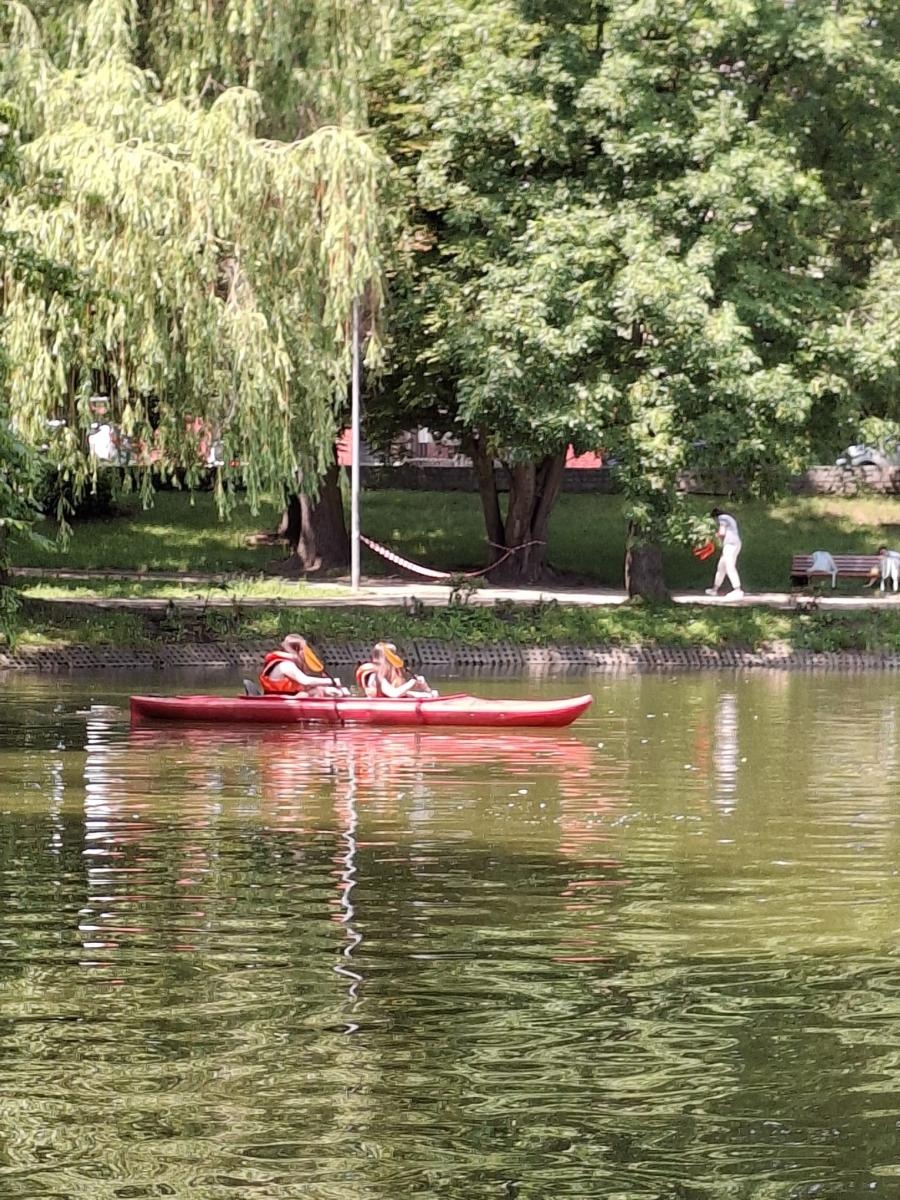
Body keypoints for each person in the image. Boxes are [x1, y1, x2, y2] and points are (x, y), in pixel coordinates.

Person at [258, 634, 346, 696]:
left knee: (318, 690)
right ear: (297, 650)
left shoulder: (287, 663)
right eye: (303, 650)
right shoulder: (285, 665)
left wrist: (327, 689)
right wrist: (332, 681)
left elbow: (303, 686)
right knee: (309, 693)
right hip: (278, 702)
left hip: (285, 697)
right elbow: (305, 681)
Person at [358, 642, 437, 699]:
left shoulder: (390, 675)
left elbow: (404, 693)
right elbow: (394, 694)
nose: (397, 657)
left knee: (431, 694)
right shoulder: (375, 677)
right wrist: (412, 682)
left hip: (390, 705)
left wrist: (426, 690)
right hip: (379, 708)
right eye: (394, 655)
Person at [705, 507, 744, 600]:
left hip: (731, 544)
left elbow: (722, 532)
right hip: (732, 544)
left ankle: (738, 590)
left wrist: (712, 536)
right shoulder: (728, 517)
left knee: (729, 566)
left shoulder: (722, 518)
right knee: (721, 567)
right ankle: (714, 589)